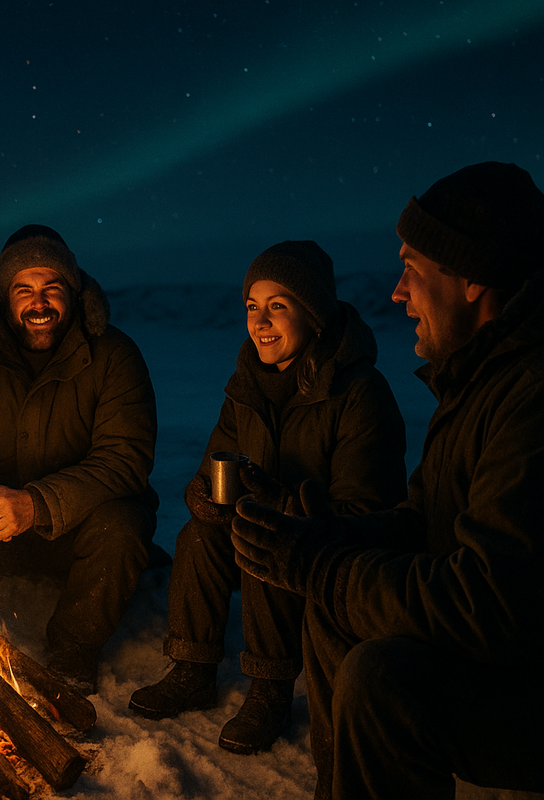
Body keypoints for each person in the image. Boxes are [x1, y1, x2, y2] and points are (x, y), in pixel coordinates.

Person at [229, 162, 544, 798]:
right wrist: (325, 541)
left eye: (411, 268)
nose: (397, 293)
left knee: (383, 679)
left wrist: (324, 568)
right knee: (333, 607)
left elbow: (491, 607)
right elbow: (425, 521)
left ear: (470, 277)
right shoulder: (484, 377)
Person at [128, 241, 407, 754]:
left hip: (333, 556)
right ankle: (193, 667)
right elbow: (210, 468)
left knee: (265, 534)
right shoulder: (246, 387)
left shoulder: (358, 393)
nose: (260, 322)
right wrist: (204, 495)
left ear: (314, 315)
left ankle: (270, 689)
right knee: (199, 533)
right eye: (252, 306)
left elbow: (370, 514)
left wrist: (283, 505)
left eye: (278, 306)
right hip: (269, 531)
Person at [0, 224, 159, 693]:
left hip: (78, 532)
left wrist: (36, 504)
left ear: (73, 292)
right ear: (4, 297)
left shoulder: (114, 355)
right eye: (23, 290)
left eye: (51, 287)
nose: (39, 303)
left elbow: (124, 460)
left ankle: (74, 651)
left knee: (123, 525)